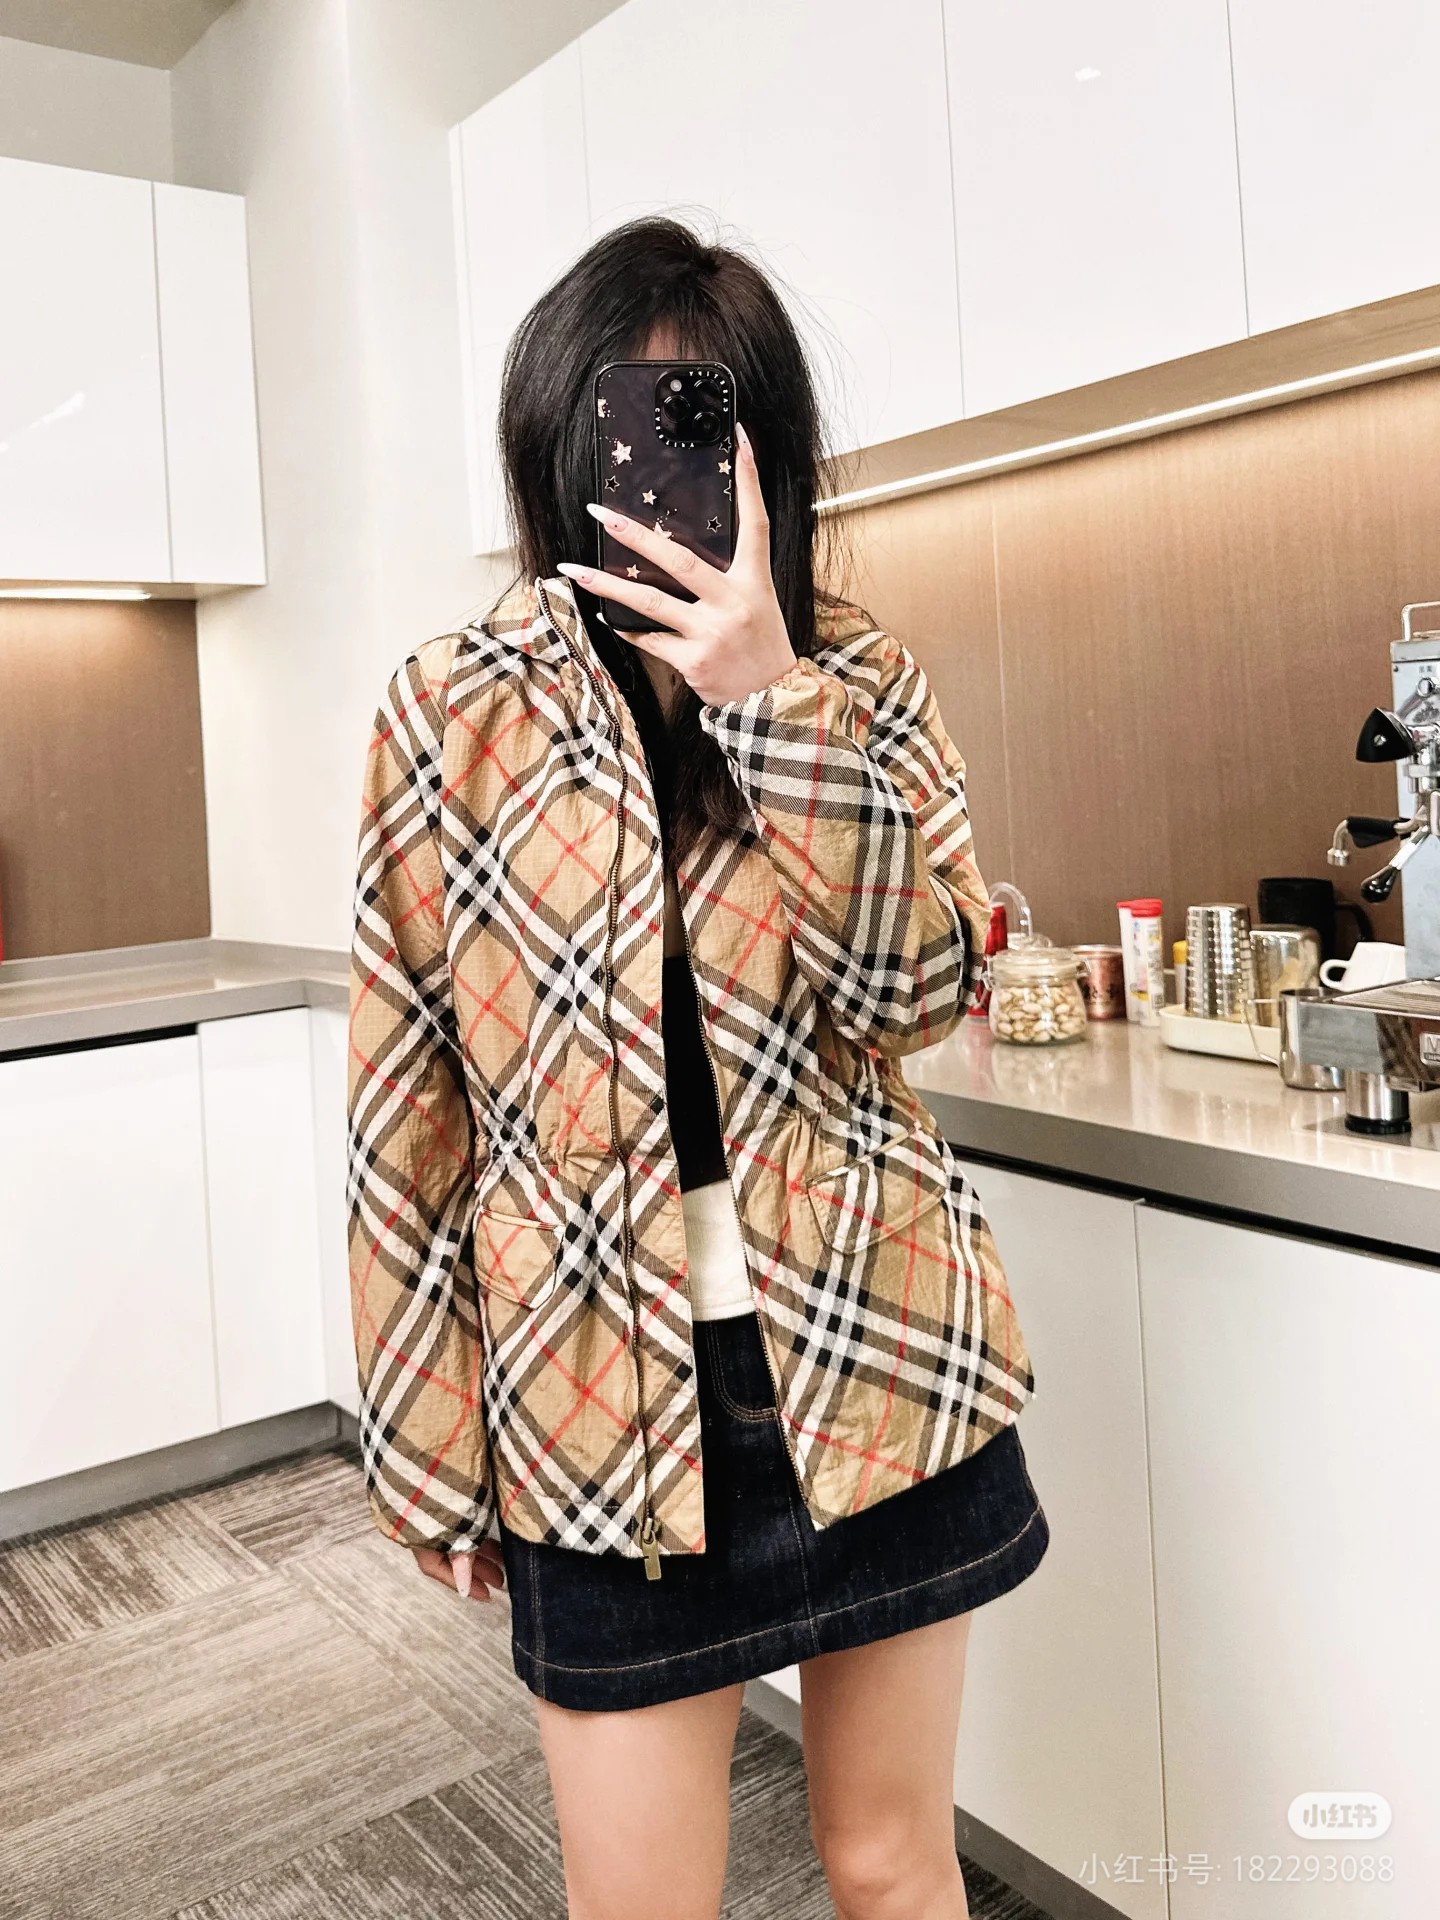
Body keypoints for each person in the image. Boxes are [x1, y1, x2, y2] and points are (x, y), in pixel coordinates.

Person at [347, 216, 1048, 1920]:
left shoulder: (857, 679)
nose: (662, 471)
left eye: (703, 419)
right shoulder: (449, 712)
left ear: (767, 452)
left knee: (892, 1863)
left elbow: (914, 994)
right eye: (624, 419)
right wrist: (424, 1438)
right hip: (593, 1400)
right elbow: (408, 1098)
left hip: (875, 1355)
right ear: (554, 442)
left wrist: (768, 699)